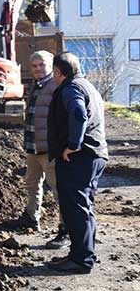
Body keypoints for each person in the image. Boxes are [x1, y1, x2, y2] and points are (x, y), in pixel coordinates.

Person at [46, 52, 108, 274]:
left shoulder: (71, 88)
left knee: (76, 208)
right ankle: (82, 254)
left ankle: (81, 260)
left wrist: (73, 144)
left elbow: (79, 114)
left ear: (58, 72)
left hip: (79, 158)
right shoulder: (87, 85)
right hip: (95, 155)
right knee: (85, 207)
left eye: (53, 72)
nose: (52, 76)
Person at [14, 51, 69, 248]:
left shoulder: (56, 86)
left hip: (50, 150)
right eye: (34, 65)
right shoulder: (36, 86)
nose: (38, 68)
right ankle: (31, 217)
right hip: (33, 147)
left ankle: (65, 230)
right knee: (31, 183)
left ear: (51, 66)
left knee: (58, 190)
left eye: (42, 65)